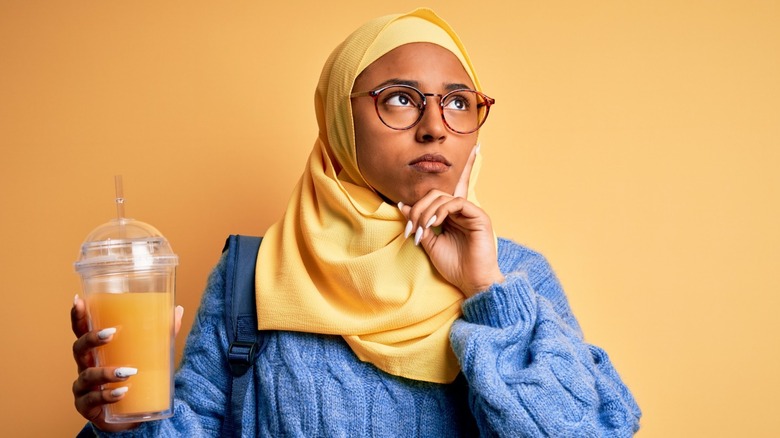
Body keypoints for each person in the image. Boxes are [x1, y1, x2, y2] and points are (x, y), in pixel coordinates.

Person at [71, 7, 641, 437]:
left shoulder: (515, 277)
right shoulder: (253, 274)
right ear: (339, 120)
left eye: (459, 101)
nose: (435, 127)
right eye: (399, 99)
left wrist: (485, 293)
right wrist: (124, 425)